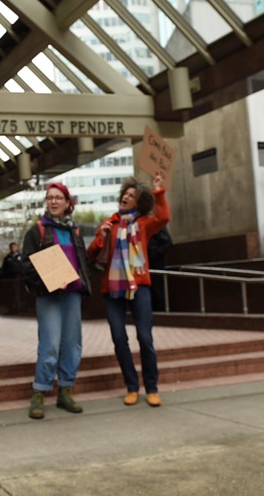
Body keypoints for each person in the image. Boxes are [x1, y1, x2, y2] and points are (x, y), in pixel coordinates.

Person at [87, 173, 170, 408]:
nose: (126, 197)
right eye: (126, 193)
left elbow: (164, 216)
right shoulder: (109, 224)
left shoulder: (143, 224)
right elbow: (92, 253)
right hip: (112, 289)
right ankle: (131, 387)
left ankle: (151, 388)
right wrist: (101, 238)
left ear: (138, 203)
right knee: (118, 337)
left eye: (132, 196)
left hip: (139, 286)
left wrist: (158, 191)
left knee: (145, 337)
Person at [20, 182, 91, 420]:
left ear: (68, 202)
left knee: (72, 344)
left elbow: (82, 262)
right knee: (50, 345)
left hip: (73, 294)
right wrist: (49, 278)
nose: (53, 201)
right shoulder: (37, 230)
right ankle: (39, 392)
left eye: (58, 197)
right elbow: (26, 266)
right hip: (49, 295)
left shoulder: (75, 230)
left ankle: (66, 391)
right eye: (50, 197)